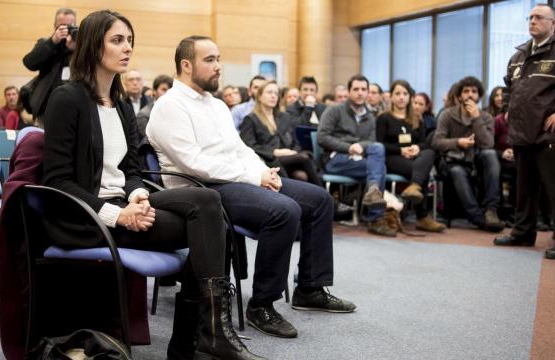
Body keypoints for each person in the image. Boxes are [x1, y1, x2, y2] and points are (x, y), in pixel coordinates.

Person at [41, 12, 263, 360]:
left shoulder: (122, 105)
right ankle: (198, 339)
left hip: (125, 206)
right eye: (117, 40)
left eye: (130, 40)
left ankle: (204, 337)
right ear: (91, 44)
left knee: (207, 203)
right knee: (208, 224)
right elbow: (57, 183)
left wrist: (138, 194)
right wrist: (120, 215)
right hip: (85, 218)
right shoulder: (66, 100)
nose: (127, 48)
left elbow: (131, 169)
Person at [148, 35, 355, 340]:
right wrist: (253, 177)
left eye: (219, 59)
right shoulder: (170, 106)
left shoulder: (216, 106)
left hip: (238, 177)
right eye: (210, 60)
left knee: (320, 199)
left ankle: (310, 287)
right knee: (284, 210)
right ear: (186, 65)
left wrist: (262, 171)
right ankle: (262, 305)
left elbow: (240, 148)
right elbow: (195, 163)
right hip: (203, 189)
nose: (219, 66)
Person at [494, 4, 555, 259]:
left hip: (551, 133)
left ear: (554, 22)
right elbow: (508, 88)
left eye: (539, 17)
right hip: (522, 133)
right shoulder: (518, 56)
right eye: (531, 17)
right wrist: (506, 109)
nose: (532, 21)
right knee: (524, 188)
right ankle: (523, 232)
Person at [318, 74, 395, 237]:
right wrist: (349, 147)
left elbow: (372, 142)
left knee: (378, 153)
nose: (360, 93)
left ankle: (373, 192)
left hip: (359, 160)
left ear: (368, 92)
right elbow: (322, 137)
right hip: (335, 159)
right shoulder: (334, 110)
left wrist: (360, 145)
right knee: (379, 166)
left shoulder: (370, 116)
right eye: (356, 89)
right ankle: (375, 218)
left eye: (364, 89)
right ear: (349, 91)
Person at [432, 76, 504, 232]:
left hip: (476, 159)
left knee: (491, 155)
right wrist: (459, 142)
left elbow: (488, 144)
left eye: (474, 91)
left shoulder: (486, 117)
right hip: (453, 160)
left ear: (479, 96)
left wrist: (476, 118)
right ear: (459, 96)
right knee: (457, 171)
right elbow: (436, 142)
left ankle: (491, 210)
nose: (470, 95)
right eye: (466, 91)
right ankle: (478, 218)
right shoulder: (447, 114)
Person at [377, 80, 444, 232]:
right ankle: (422, 217)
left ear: (410, 97)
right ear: (391, 97)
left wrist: (416, 147)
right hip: (392, 157)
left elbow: (423, 143)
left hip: (413, 157)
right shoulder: (384, 118)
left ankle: (414, 187)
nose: (401, 97)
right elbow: (380, 144)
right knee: (422, 172)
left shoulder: (416, 118)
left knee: (430, 152)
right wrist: (401, 151)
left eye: (405, 94)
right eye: (397, 93)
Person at [240, 80, 322, 186]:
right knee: (304, 157)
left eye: (276, 93)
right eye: (269, 92)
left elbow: (295, 141)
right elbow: (249, 146)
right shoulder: (251, 119)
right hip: (268, 160)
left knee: (301, 176)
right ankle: (329, 199)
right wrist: (274, 152)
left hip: (290, 158)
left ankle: (312, 200)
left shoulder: (284, 117)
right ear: (259, 96)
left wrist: (293, 152)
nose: (273, 96)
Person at [22, 7, 77, 120]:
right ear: (54, 26)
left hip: (74, 106)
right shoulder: (46, 43)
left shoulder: (80, 47)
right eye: (61, 27)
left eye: (69, 26)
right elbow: (29, 63)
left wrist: (76, 49)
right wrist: (52, 42)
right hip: (46, 107)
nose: (65, 30)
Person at [135, 74, 173, 144]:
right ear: (154, 91)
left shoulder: (176, 111)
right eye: (164, 89)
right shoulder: (144, 114)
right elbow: (151, 141)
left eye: (170, 90)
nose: (168, 93)